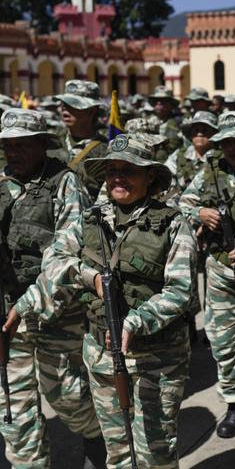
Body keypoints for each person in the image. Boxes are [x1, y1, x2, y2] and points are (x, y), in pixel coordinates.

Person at [7, 134, 197, 468]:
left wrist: (136, 321)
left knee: (155, 451)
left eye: (129, 171)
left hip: (157, 357)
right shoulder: (91, 219)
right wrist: (84, 277)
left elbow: (180, 291)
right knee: (118, 452)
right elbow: (54, 259)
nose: (118, 178)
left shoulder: (173, 224)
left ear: (150, 176)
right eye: (112, 171)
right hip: (101, 354)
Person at [0, 108, 105, 469]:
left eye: (22, 145)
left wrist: (27, 305)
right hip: (5, 312)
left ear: (42, 145)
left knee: (67, 395)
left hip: (54, 308)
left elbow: (69, 254)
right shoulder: (1, 182)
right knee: (11, 404)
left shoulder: (65, 184)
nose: (13, 153)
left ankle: (96, 438)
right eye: (7, 145)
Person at [179, 111, 235, 438]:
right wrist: (198, 212)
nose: (231, 147)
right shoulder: (210, 171)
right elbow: (181, 202)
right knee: (224, 340)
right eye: (226, 141)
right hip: (219, 270)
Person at [54, 80, 108, 198]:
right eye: (63, 104)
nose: (64, 109)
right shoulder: (52, 142)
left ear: (92, 110)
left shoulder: (105, 151)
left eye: (72, 104)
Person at [165, 110, 219, 203]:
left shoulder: (220, 157)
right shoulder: (178, 155)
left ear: (214, 134)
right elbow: (166, 177)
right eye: (196, 130)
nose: (199, 134)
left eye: (205, 130)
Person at [148, 85, 183, 153]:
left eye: (163, 101)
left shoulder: (179, 121)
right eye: (156, 101)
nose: (159, 103)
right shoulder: (146, 121)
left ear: (171, 105)